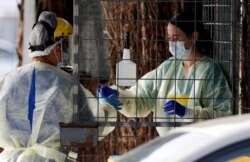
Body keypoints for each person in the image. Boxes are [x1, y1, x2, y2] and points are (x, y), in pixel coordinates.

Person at [0, 11, 116, 161]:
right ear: (56, 50)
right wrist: (108, 107)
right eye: (63, 47)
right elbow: (93, 132)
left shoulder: (6, 82)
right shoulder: (66, 85)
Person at [98, 11, 233, 136]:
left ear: (193, 37)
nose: (171, 43)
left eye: (176, 38)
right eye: (169, 38)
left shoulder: (209, 70)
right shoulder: (169, 66)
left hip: (197, 147)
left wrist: (188, 113)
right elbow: (143, 96)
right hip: (168, 144)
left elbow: (222, 115)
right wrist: (119, 96)